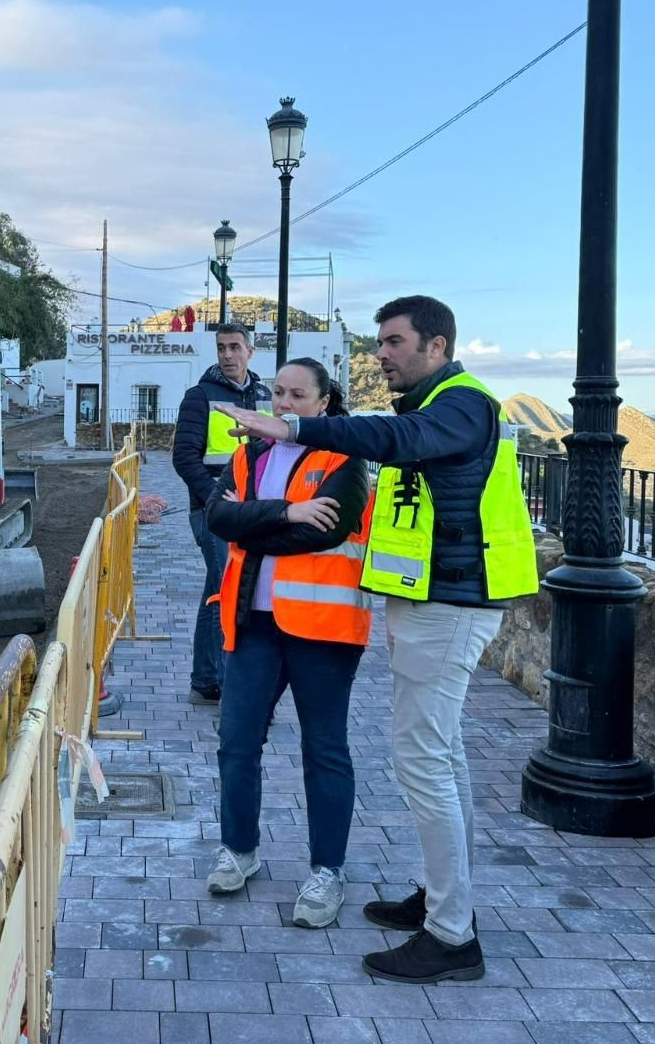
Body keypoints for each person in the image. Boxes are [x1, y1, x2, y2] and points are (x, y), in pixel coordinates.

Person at [221, 295, 538, 984]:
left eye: (394, 342)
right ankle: (440, 900)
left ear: (437, 344)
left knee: (422, 761)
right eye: (379, 343)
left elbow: (396, 446)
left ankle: (452, 937)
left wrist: (296, 428)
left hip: (450, 607)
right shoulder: (437, 405)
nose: (382, 354)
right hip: (432, 603)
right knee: (442, 759)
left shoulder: (462, 405)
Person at [202, 358, 372, 930]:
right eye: (277, 393)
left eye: (298, 395)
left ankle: (328, 870)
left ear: (324, 404)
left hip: (323, 630)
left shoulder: (344, 458)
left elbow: (323, 529)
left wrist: (257, 522)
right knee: (236, 741)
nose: (284, 405)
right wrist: (284, 511)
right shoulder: (250, 454)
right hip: (253, 620)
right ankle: (239, 849)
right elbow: (216, 516)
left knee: (324, 749)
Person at [171, 323, 272, 704]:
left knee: (217, 588)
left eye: (234, 347)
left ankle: (205, 679)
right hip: (213, 511)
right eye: (221, 347)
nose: (227, 355)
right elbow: (184, 458)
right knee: (228, 588)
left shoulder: (265, 396)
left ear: (250, 350)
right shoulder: (200, 396)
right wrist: (217, 498)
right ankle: (233, 691)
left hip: (252, 508)